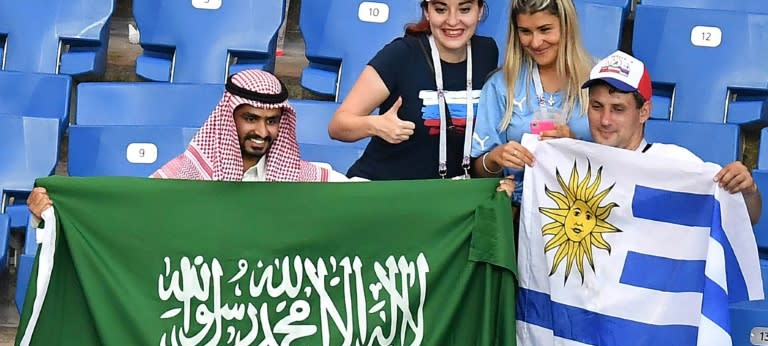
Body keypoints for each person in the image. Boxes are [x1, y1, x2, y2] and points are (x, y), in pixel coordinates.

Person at [568, 50, 759, 346]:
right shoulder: (570, 164)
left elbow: (744, 220)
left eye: (618, 108)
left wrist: (746, 189)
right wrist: (497, 164)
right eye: (596, 106)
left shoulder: (679, 164)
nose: (605, 119)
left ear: (645, 111)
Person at [27, 69, 347, 219]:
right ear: (229, 116)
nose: (262, 131)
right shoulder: (186, 173)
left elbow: (370, 199)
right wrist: (55, 214)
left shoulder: (302, 177)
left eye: (272, 121)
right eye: (250, 118)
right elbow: (125, 215)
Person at [328, 0, 499, 181]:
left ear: (479, 11)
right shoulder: (401, 54)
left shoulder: (487, 53)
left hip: (448, 196)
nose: (452, 20)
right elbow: (338, 125)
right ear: (427, 12)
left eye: (464, 9)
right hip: (385, 190)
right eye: (441, 10)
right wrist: (376, 125)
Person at [471, 0, 593, 204]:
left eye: (545, 30)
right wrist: (495, 158)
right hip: (521, 213)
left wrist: (573, 146)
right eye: (525, 32)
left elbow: (617, 161)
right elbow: (479, 171)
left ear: (566, 25)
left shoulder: (596, 80)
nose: (535, 42)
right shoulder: (501, 85)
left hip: (583, 212)